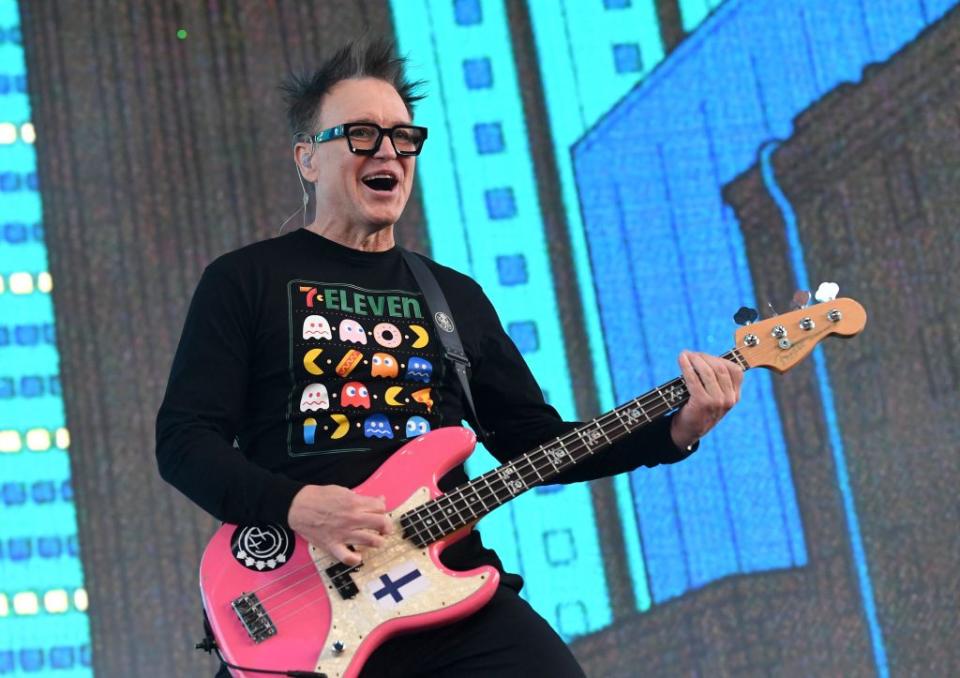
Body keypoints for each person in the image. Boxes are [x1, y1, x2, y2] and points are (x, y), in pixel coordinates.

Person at [155, 39, 743, 678]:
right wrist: (297, 505)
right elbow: (185, 441)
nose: (387, 151)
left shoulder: (453, 298)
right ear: (307, 159)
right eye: (360, 135)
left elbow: (534, 445)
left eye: (403, 138)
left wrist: (677, 430)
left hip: (448, 593)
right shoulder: (245, 279)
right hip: (299, 604)